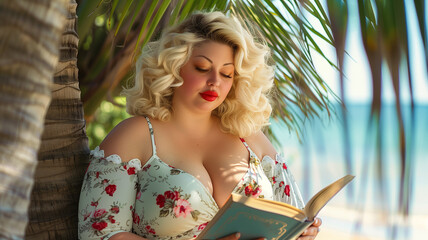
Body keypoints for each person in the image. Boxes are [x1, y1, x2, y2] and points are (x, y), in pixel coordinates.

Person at [78, 11, 322, 240]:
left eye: (227, 74)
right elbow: (98, 233)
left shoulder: (249, 137)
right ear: (173, 66)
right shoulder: (135, 135)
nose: (215, 81)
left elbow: (291, 214)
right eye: (202, 68)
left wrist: (303, 232)